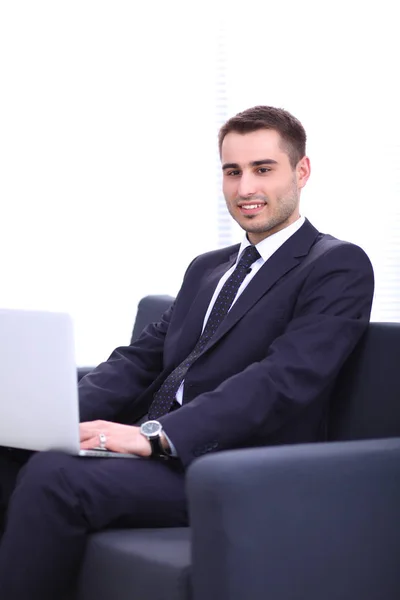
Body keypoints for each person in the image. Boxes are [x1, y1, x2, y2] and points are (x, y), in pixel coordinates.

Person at [0, 105, 374, 598]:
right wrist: (56, 421)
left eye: (263, 169)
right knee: (13, 452)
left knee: (54, 477)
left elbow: (282, 379)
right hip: (155, 454)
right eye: (232, 172)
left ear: (301, 171)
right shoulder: (208, 267)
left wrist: (155, 437)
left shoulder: (337, 265)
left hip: (233, 467)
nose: (245, 189)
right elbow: (138, 359)